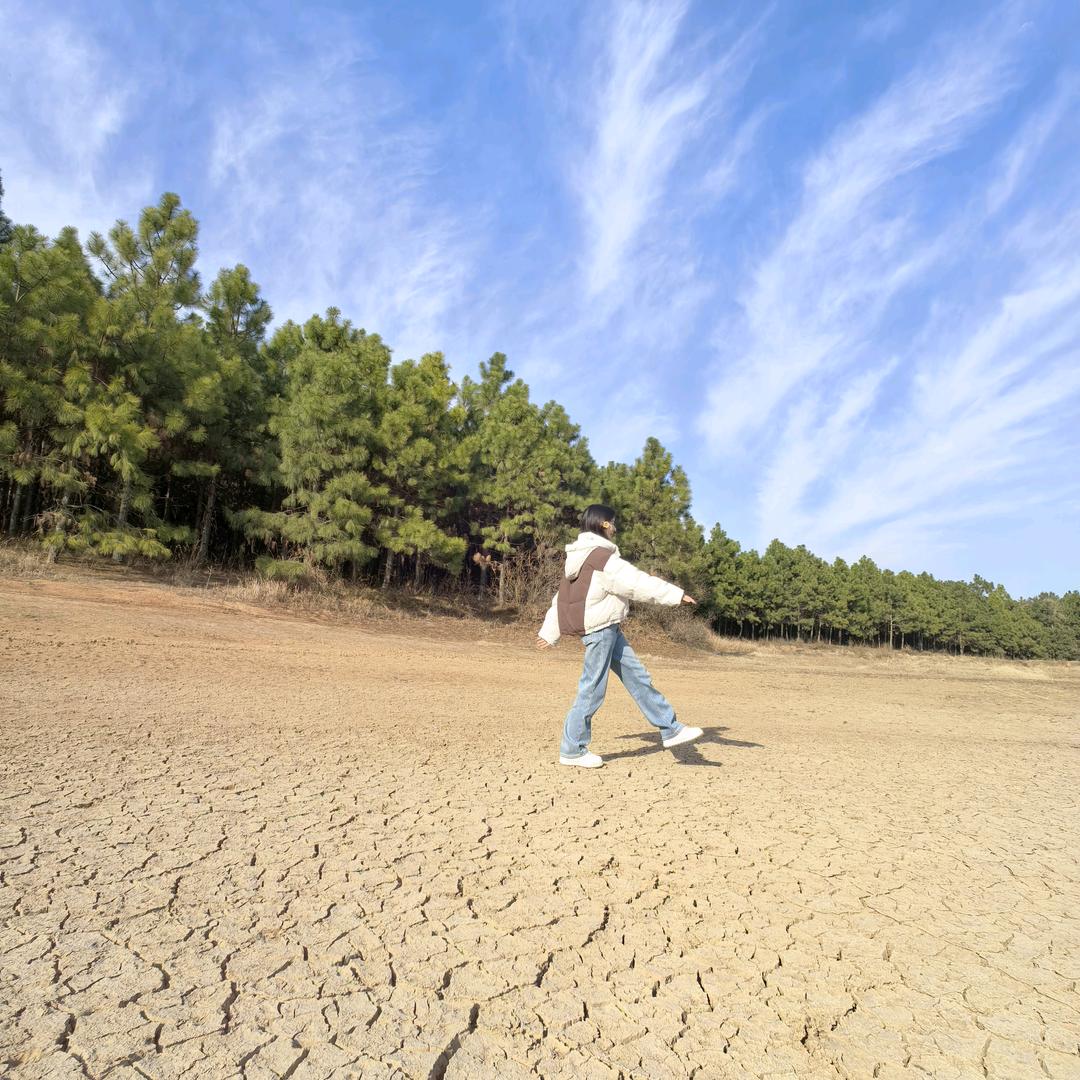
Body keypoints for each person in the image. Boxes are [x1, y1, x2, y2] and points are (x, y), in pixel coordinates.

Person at [536, 504, 703, 768]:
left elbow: (563, 598)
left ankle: (670, 729)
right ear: (604, 524)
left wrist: (549, 631)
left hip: (609, 629)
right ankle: (572, 750)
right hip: (601, 631)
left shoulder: (583, 557)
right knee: (592, 689)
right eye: (613, 523)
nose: (615, 527)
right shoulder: (602, 558)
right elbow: (636, 582)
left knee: (638, 678)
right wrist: (675, 595)